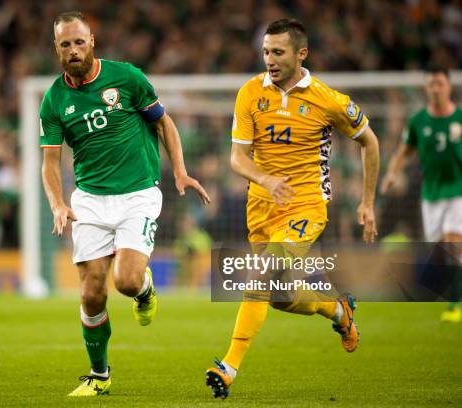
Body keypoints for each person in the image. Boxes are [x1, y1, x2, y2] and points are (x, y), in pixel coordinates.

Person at [205, 19, 380, 399]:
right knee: (281, 296)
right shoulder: (250, 93)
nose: (269, 59)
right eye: (266, 51)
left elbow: (369, 141)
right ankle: (336, 310)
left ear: (301, 54)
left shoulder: (328, 100)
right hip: (261, 210)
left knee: (261, 276)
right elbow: (237, 157)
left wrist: (367, 202)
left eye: (278, 52)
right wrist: (265, 180)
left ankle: (228, 365)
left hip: (306, 206)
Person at [40, 11, 210, 397]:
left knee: (127, 281)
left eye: (79, 42)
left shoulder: (128, 78)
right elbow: (50, 162)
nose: (73, 50)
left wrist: (180, 171)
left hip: (138, 194)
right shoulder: (53, 100)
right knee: (91, 292)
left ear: (92, 42)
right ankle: (99, 376)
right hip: (90, 201)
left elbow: (164, 124)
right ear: (56, 49)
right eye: (65, 44)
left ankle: (145, 291)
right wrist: (56, 203)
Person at [381, 68, 462, 323]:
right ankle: (448, 295)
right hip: (431, 194)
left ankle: (455, 305)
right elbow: (404, 151)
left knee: (452, 243)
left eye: (439, 83)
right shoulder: (418, 121)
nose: (435, 88)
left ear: (448, 86)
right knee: (439, 249)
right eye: (431, 84)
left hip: (457, 191)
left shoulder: (460, 118)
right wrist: (392, 173)